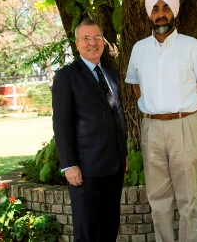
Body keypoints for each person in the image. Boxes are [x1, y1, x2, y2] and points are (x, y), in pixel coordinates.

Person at [125, 0, 197, 242]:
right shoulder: (139, 49)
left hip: (185, 126)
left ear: (174, 11)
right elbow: (136, 86)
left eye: (166, 7)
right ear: (149, 14)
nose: (160, 14)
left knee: (189, 199)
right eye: (155, 8)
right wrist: (152, 108)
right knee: (157, 199)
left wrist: (191, 119)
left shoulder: (192, 47)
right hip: (151, 129)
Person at [52, 19, 128, 242]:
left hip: (113, 166)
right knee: (88, 230)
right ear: (77, 44)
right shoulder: (66, 77)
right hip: (86, 169)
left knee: (109, 227)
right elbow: (62, 123)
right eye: (86, 38)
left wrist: (122, 154)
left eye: (97, 37)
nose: (92, 43)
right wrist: (69, 164)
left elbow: (117, 116)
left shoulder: (111, 74)